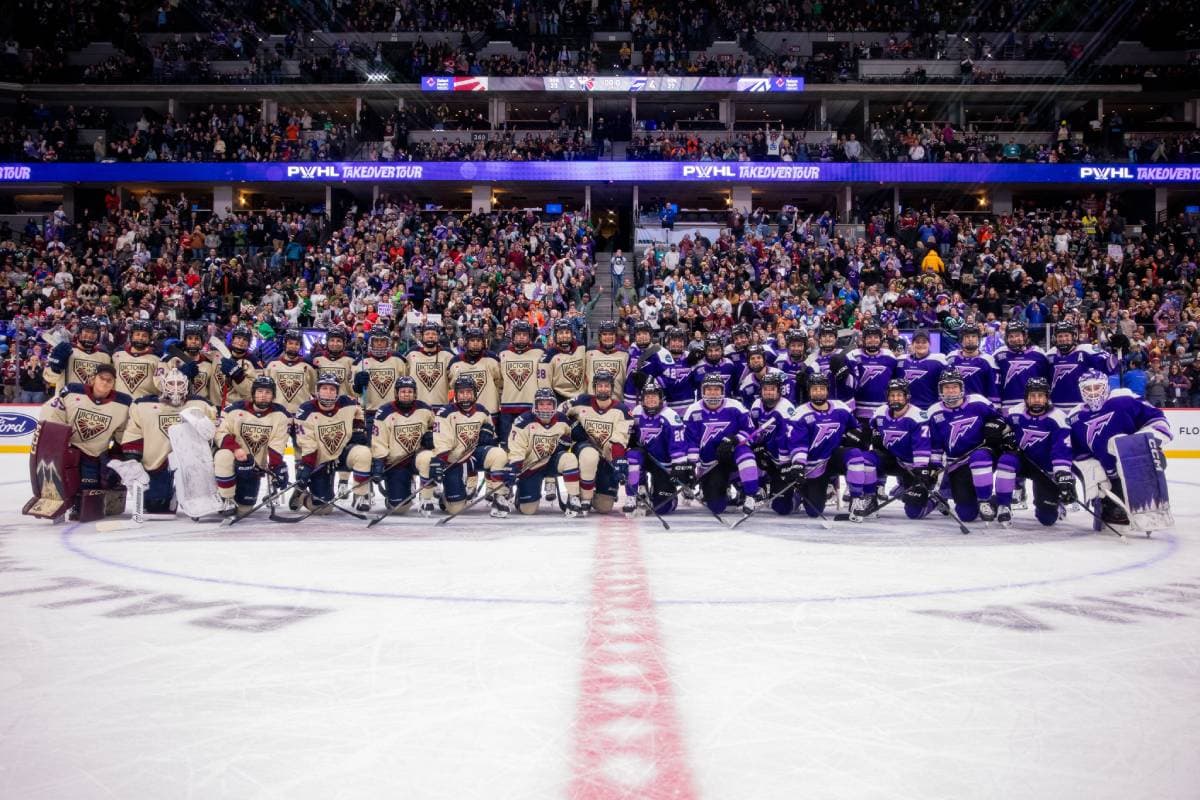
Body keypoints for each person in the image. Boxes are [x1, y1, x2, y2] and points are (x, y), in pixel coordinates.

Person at [1069, 369, 1172, 525]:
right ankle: (1109, 502)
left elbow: (1156, 419)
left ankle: (1149, 500)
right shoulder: (1076, 417)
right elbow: (1078, 451)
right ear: (1081, 390)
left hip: (1136, 466)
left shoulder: (1123, 399)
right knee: (1115, 514)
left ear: (1106, 386)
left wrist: (1143, 444)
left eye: (1097, 387)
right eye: (1088, 388)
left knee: (1150, 465)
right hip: (1108, 474)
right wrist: (1092, 472)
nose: (1093, 392)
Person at [38, 363, 132, 520]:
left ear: (114, 383)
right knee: (61, 481)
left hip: (95, 453)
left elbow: (122, 434)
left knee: (91, 490)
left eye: (109, 380)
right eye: (102, 378)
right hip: (69, 448)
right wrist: (56, 442)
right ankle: (58, 503)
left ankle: (95, 498)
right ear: (93, 379)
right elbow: (53, 412)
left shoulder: (123, 403)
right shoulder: (72, 391)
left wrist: (121, 456)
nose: (105, 382)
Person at [120, 368, 215, 514]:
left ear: (186, 384)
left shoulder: (201, 405)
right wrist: (133, 457)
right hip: (157, 462)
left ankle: (188, 490)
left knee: (202, 503)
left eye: (179, 383)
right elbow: (134, 432)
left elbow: (213, 431)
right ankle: (170, 494)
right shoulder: (143, 405)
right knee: (156, 506)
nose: (175, 388)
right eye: (171, 383)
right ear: (163, 385)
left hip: (191, 462)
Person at [415, 375, 511, 518]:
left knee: (499, 454)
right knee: (455, 509)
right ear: (456, 394)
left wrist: (488, 434)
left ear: (475, 393)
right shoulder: (445, 413)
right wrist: (441, 461)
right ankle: (447, 497)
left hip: (473, 455)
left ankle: (499, 496)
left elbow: (491, 435)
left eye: (468, 392)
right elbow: (442, 443)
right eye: (461, 393)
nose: (465, 396)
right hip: (453, 460)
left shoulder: (482, 411)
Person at [926, 370, 1009, 522]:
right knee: (966, 514)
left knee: (979, 457)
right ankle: (994, 501)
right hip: (957, 463)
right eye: (947, 387)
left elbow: (1000, 418)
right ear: (940, 389)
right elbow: (936, 445)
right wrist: (934, 466)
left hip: (984, 453)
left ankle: (984, 501)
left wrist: (994, 425)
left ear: (961, 387)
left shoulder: (978, 401)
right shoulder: (934, 412)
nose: (951, 390)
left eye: (954, 387)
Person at [993, 377, 1074, 527]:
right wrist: (1003, 434)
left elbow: (1061, 448)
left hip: (1045, 468)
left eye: (1040, 396)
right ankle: (1003, 504)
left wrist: (1062, 473)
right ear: (1026, 398)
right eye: (1033, 396)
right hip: (1022, 461)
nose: (1036, 399)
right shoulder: (1015, 412)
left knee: (1047, 519)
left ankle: (1055, 501)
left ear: (1047, 398)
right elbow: (1001, 427)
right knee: (1006, 460)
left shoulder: (1058, 417)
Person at [789, 373, 866, 518]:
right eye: (815, 389)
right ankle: (802, 491)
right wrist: (798, 464)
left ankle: (857, 498)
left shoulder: (841, 408)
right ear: (809, 391)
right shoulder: (800, 413)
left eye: (821, 389)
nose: (818, 392)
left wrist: (854, 436)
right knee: (814, 511)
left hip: (834, 458)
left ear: (827, 390)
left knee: (855, 455)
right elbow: (799, 443)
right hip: (814, 465)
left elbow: (856, 428)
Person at [294, 373, 373, 513]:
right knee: (323, 509)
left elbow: (358, 412)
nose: (328, 392)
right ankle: (303, 496)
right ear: (317, 390)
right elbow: (307, 442)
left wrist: (358, 428)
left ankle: (361, 495)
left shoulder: (348, 403)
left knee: (363, 453)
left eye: (332, 389)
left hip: (342, 453)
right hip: (320, 458)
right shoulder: (305, 410)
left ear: (337, 392)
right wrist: (307, 464)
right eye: (324, 388)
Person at [683, 373, 759, 516]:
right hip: (712, 464)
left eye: (716, 389)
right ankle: (722, 487)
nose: (713, 393)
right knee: (716, 507)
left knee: (745, 453)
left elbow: (751, 432)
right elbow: (691, 441)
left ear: (723, 390)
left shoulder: (735, 406)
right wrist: (692, 467)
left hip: (733, 456)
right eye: (709, 389)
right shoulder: (693, 410)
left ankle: (750, 495)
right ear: (702, 391)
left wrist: (735, 439)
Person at [859, 378, 935, 521]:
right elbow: (871, 428)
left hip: (913, 466)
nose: (895, 399)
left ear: (907, 396)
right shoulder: (880, 412)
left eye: (899, 395)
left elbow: (922, 446)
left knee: (914, 513)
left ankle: (934, 499)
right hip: (892, 459)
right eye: (892, 395)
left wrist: (921, 472)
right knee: (866, 459)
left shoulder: (918, 416)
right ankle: (870, 497)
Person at [213, 375, 290, 516]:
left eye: (268, 392)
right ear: (253, 393)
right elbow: (220, 433)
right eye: (259, 391)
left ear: (273, 396)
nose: (263, 395)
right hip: (232, 461)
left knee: (244, 510)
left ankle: (234, 497)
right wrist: (236, 449)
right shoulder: (234, 410)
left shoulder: (280, 415)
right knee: (223, 455)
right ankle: (227, 498)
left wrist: (277, 468)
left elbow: (277, 444)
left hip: (252, 468)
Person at [562, 371, 633, 515]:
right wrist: (571, 427)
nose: (603, 389)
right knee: (590, 456)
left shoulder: (622, 411)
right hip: (584, 449)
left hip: (606, 457)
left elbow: (619, 440)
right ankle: (584, 498)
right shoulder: (581, 401)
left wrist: (618, 460)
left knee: (604, 507)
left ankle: (593, 487)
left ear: (612, 388)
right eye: (600, 386)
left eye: (606, 386)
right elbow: (558, 413)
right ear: (594, 387)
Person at [505, 388, 581, 516]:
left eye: (549, 404)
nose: (545, 407)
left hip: (551, 462)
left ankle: (574, 497)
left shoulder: (562, 420)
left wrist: (567, 443)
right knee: (528, 510)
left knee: (569, 459)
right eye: (541, 404)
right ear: (535, 405)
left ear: (554, 405)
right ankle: (521, 493)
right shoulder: (523, 421)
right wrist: (515, 467)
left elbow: (571, 439)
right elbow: (517, 448)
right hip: (531, 467)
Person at [370, 376, 436, 513]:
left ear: (415, 393)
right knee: (399, 508)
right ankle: (400, 489)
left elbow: (435, 426)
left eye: (410, 391)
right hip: (397, 462)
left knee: (428, 458)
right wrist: (379, 462)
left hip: (417, 458)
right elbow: (379, 441)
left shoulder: (425, 409)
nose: (407, 394)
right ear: (397, 393)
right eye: (403, 391)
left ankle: (426, 497)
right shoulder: (384, 412)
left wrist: (430, 436)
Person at [625, 378, 690, 515]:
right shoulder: (637, 412)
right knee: (632, 456)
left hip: (663, 463)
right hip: (645, 458)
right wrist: (632, 442)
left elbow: (678, 445)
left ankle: (668, 498)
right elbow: (630, 436)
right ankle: (638, 490)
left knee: (662, 508)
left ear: (661, 398)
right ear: (642, 399)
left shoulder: (670, 416)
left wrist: (678, 467)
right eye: (647, 397)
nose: (650, 399)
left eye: (654, 396)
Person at [497, 320, 545, 443]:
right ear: (513, 336)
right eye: (518, 334)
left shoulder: (539, 352)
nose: (521, 337)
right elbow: (499, 379)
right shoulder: (503, 352)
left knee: (529, 444)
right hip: (508, 406)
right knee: (506, 445)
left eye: (524, 334)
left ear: (530, 337)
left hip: (531, 406)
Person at [43, 317, 113, 395]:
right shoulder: (63, 350)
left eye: (94, 332)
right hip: (67, 401)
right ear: (79, 333)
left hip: (91, 401)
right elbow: (48, 378)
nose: (90, 335)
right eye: (87, 331)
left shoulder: (105, 357)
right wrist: (54, 369)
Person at [405, 321, 453, 408]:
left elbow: (454, 381)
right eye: (427, 334)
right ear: (422, 336)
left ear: (438, 336)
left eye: (434, 334)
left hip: (441, 407)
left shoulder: (447, 355)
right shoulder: (411, 355)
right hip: (417, 408)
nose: (430, 336)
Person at [112, 320, 161, 399]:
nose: (140, 338)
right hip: (120, 403)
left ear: (149, 338)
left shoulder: (157, 359)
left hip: (145, 404)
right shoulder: (117, 355)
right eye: (137, 334)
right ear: (132, 336)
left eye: (144, 335)